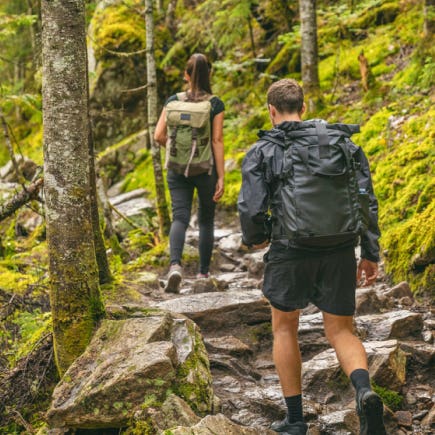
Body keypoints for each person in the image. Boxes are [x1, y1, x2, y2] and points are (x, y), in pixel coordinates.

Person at [238, 79, 386, 435]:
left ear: (272, 111)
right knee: (341, 330)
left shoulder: (263, 150)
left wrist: (256, 238)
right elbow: (365, 199)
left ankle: (295, 419)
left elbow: (251, 205)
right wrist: (369, 252)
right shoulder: (343, 145)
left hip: (291, 249)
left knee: (284, 327)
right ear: (303, 108)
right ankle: (364, 391)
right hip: (338, 248)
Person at [154, 53, 225, 293]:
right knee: (205, 219)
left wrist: (179, 151)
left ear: (186, 75)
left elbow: (158, 136)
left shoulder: (173, 100)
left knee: (180, 217)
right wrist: (222, 176)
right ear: (210, 74)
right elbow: (216, 140)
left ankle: (175, 266)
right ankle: (203, 273)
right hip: (205, 170)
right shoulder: (215, 104)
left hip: (176, 168)